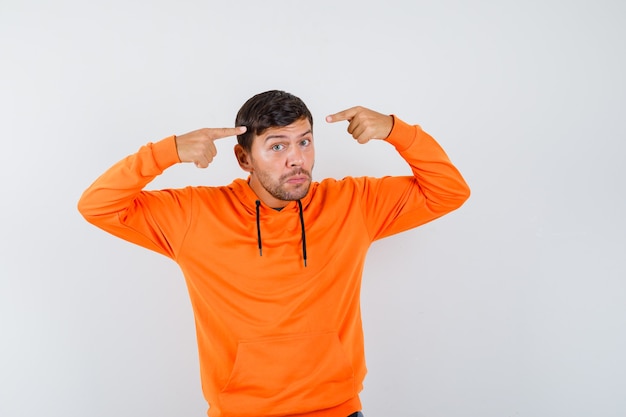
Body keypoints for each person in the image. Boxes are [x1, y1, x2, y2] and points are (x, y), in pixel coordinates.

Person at [78, 90, 470, 417]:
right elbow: (97, 206)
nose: (296, 158)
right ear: (244, 158)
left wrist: (395, 130)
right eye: (277, 146)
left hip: (338, 409)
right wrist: (166, 152)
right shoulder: (195, 215)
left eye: (304, 141)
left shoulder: (353, 204)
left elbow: (449, 191)